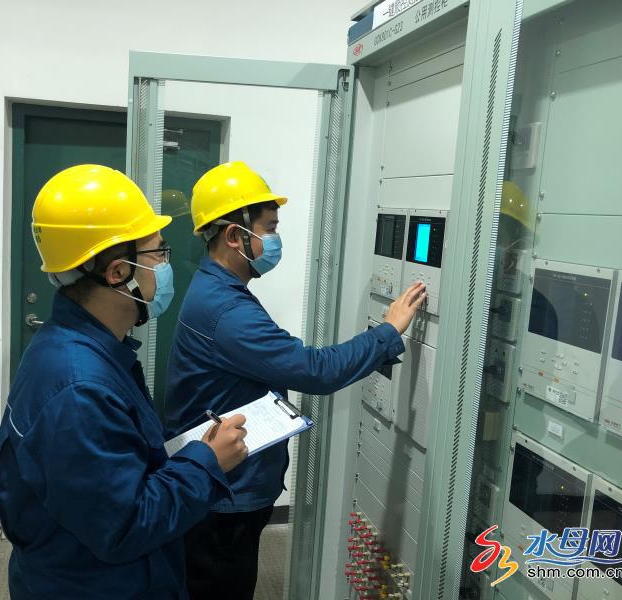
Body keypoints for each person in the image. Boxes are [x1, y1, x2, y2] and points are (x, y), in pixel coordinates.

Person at [165, 161, 427, 599]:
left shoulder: (215, 290)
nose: (274, 240)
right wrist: (387, 331)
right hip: (224, 498)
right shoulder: (227, 311)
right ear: (234, 236)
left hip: (221, 486)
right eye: (268, 229)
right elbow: (315, 369)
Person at [0, 164, 249, 599]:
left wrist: (186, 451)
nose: (165, 265)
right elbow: (125, 526)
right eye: (158, 252)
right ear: (118, 272)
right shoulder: (80, 389)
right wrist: (207, 462)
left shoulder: (79, 348)